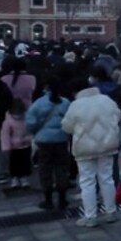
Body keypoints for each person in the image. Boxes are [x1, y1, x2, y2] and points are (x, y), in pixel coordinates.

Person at [62, 81, 121, 227]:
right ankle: (111, 211)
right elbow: (118, 117)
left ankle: (90, 216)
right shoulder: (107, 100)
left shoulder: (75, 105)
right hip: (107, 145)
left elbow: (67, 127)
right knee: (107, 178)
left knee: (87, 181)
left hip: (84, 147)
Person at [26, 76, 71, 209]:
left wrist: (34, 132)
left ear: (46, 87)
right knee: (61, 168)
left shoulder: (39, 103)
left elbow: (30, 123)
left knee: (45, 169)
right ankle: (62, 198)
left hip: (44, 141)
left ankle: (48, 200)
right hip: (62, 139)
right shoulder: (65, 102)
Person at [0, 99, 32, 189]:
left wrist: (29, 139)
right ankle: (15, 178)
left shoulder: (25, 118)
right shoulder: (8, 121)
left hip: (25, 144)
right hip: (14, 146)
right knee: (14, 164)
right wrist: (6, 147)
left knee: (25, 162)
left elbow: (30, 131)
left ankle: (23, 178)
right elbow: (5, 135)